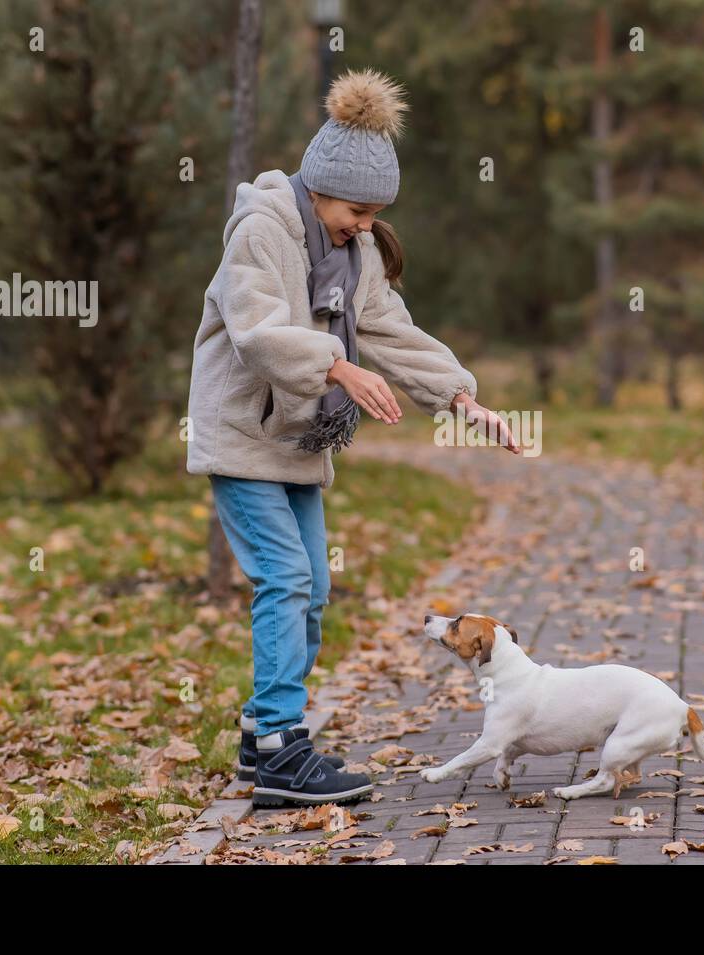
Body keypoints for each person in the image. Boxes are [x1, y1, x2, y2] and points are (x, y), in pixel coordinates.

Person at [185, 68, 519, 807]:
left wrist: (465, 400)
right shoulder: (263, 229)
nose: (366, 225)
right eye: (357, 211)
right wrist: (337, 365)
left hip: (297, 440)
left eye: (376, 214)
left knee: (313, 589)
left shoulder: (358, 253)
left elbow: (391, 332)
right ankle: (278, 744)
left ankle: (255, 736)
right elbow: (257, 333)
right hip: (243, 433)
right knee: (287, 579)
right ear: (318, 189)